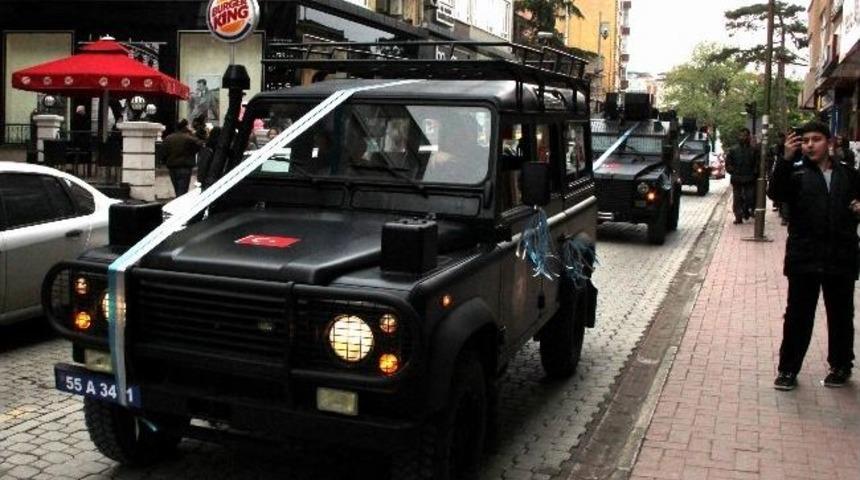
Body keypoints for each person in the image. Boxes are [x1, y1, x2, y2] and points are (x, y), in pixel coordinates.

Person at [767, 121, 859, 391]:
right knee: (798, 316)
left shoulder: (850, 176)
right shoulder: (795, 174)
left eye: (816, 139)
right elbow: (775, 192)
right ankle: (787, 370)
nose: (809, 145)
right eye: (805, 140)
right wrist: (785, 158)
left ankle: (841, 366)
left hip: (840, 257)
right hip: (804, 258)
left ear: (829, 143)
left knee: (841, 315)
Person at [725, 128, 759, 224]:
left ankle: (745, 210)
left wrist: (755, 173)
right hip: (737, 179)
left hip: (749, 178)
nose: (743, 137)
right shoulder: (733, 150)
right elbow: (728, 164)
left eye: (745, 135)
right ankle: (738, 217)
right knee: (737, 198)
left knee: (750, 197)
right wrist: (733, 171)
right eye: (741, 135)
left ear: (749, 136)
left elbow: (757, 164)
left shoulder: (753, 150)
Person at [163, 119, 203, 196]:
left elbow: (164, 153)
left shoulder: (168, 138)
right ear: (185, 127)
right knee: (182, 191)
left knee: (177, 189)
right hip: (185, 167)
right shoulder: (189, 138)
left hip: (172, 167)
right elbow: (200, 144)